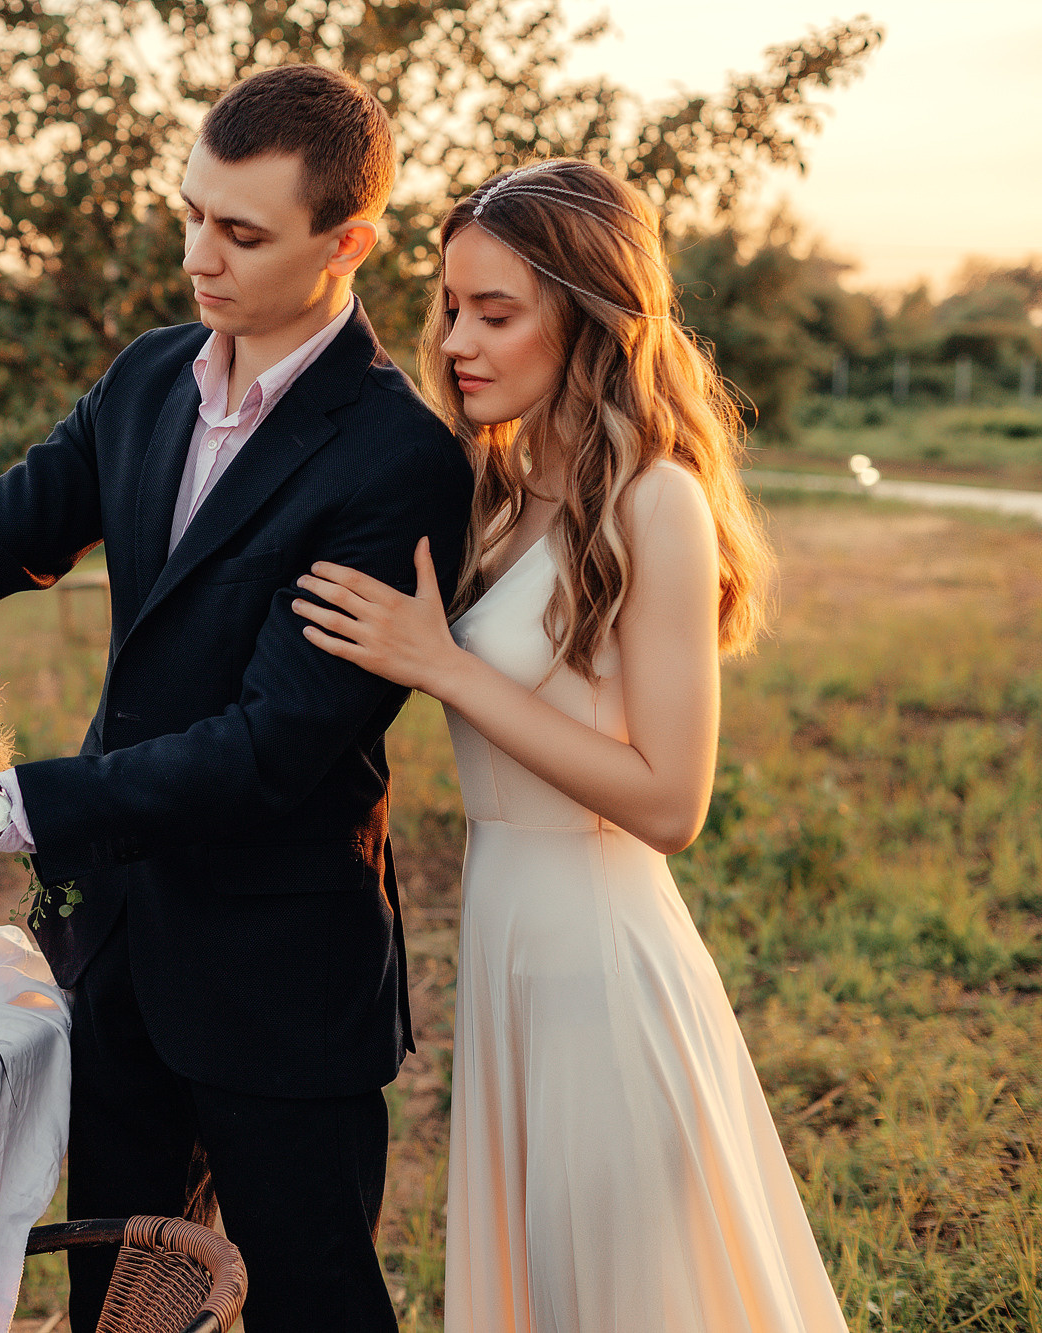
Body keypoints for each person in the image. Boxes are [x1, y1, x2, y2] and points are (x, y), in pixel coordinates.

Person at [0, 64, 472, 1333]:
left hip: (278, 969)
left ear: (350, 244)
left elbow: (266, 750)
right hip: (114, 945)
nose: (198, 257)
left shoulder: (399, 461)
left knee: (316, 1306)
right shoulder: (146, 379)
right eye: (189, 214)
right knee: (118, 1313)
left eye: (241, 232)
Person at [291, 159, 850, 1331]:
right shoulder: (492, 492)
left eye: (496, 313)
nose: (455, 339)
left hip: (600, 951)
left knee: (625, 1285)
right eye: (449, 306)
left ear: (589, 322)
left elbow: (668, 803)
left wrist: (440, 663)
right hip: (500, 942)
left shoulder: (655, 501)